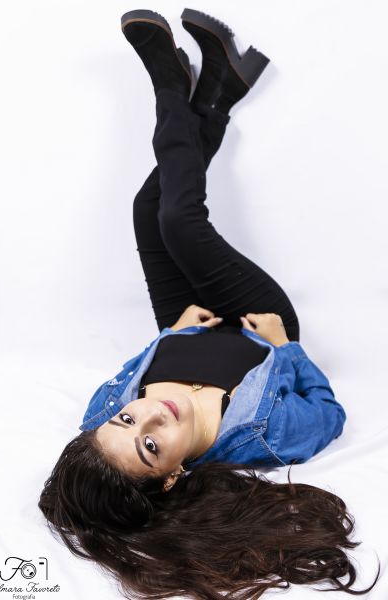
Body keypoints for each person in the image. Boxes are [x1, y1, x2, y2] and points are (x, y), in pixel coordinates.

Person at [38, 8, 380, 599]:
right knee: (180, 221)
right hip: (254, 321)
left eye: (126, 419)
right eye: (150, 446)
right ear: (172, 478)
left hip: (183, 323)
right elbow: (329, 413)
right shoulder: (264, 438)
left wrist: (168, 334)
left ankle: (218, 92)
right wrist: (285, 347)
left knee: (148, 210)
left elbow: (133, 376)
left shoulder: (98, 423)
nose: (151, 414)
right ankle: (170, 84)